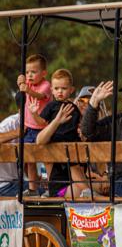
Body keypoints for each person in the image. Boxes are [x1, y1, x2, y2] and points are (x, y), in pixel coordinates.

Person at [32, 69, 87, 198]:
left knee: (76, 165)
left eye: (63, 88)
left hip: (72, 140)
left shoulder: (74, 107)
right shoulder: (51, 106)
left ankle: (85, 189)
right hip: (57, 140)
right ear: (51, 89)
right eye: (56, 88)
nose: (60, 91)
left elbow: (80, 124)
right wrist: (34, 113)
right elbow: (41, 122)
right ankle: (85, 189)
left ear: (71, 90)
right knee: (72, 166)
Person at [16, 54, 52, 195]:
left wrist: (27, 89)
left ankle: (50, 188)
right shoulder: (28, 84)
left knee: (47, 159)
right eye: (27, 72)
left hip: (43, 129)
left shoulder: (46, 85)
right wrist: (20, 82)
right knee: (29, 159)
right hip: (29, 128)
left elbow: (40, 96)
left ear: (43, 73)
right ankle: (33, 188)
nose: (29, 75)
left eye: (33, 72)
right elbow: (22, 90)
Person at [0, 110, 27, 197]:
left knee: (49, 190)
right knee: (51, 192)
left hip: (18, 182)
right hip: (4, 185)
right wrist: (18, 132)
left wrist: (36, 178)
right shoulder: (10, 123)